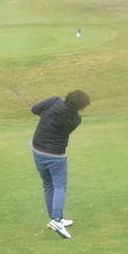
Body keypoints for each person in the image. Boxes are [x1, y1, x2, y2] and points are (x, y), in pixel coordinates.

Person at [30, 89, 90, 239]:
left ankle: (55, 219)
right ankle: (57, 219)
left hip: (37, 150)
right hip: (56, 155)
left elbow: (34, 109)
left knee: (48, 184)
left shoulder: (54, 101)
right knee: (59, 186)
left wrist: (44, 115)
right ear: (80, 107)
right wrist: (44, 115)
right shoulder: (76, 119)